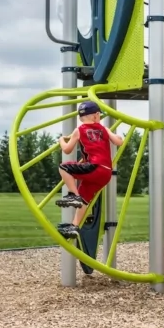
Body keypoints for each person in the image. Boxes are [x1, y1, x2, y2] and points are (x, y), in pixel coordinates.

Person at [55, 100, 124, 239]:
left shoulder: (79, 130)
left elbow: (67, 150)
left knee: (64, 167)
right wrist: (115, 135)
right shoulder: (104, 129)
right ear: (96, 115)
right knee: (85, 199)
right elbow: (119, 142)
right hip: (105, 172)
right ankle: (74, 226)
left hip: (94, 167)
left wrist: (61, 140)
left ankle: (73, 195)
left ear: (81, 118)